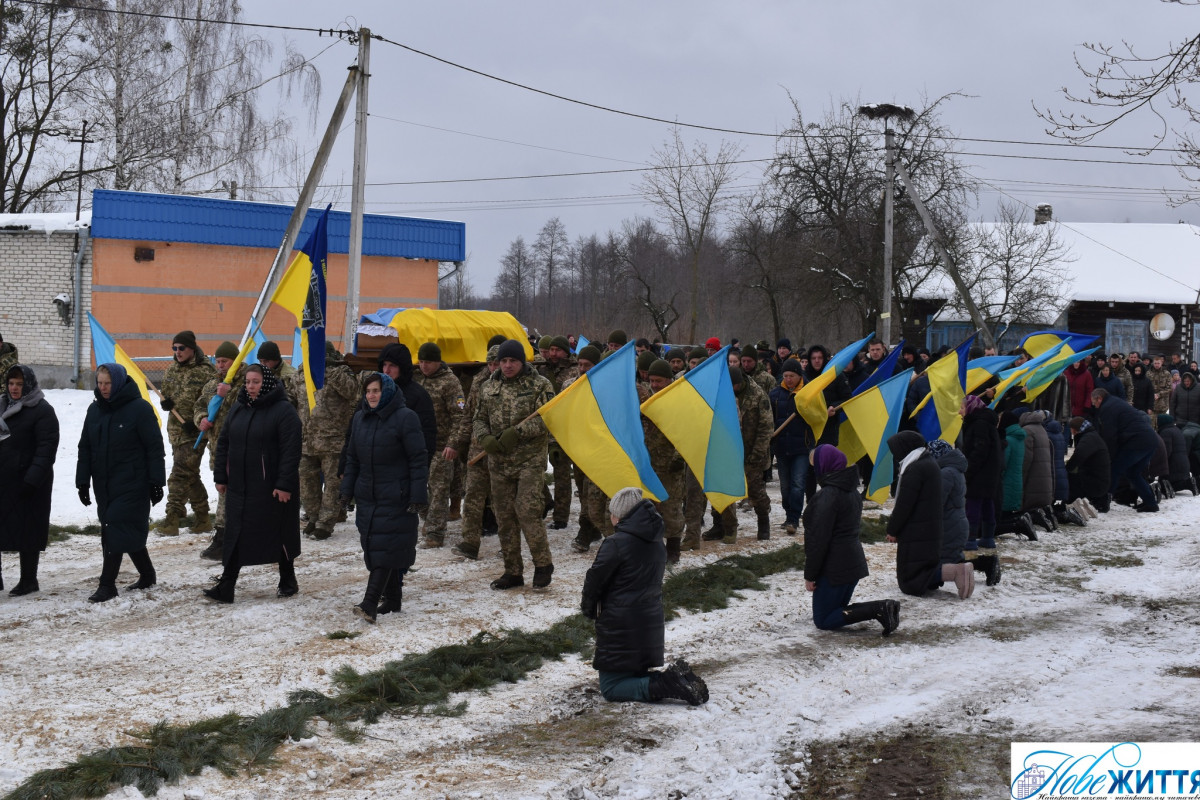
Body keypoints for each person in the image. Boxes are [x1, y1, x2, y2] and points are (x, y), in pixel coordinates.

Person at [580, 487, 709, 705]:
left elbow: (595, 579)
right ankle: (677, 680)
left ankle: (668, 683)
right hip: (649, 622)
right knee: (633, 676)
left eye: (612, 512)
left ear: (620, 515)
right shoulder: (656, 542)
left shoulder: (616, 543)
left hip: (621, 624)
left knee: (612, 687)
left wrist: (588, 608)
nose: (610, 516)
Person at [207, 365, 302, 602]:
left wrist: (284, 484)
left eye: (256, 382)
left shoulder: (283, 411)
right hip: (240, 485)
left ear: (266, 383)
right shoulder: (238, 408)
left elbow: (291, 451)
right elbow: (224, 442)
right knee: (235, 533)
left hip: (271, 487)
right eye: (248, 381)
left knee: (278, 532)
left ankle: (288, 578)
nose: (250, 386)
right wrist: (221, 476)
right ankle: (226, 584)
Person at [340, 372, 428, 622]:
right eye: (368, 391)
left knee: (387, 546)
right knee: (374, 544)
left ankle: (369, 603)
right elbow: (352, 459)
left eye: (376, 390)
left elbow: (418, 459)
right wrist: (346, 491)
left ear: (386, 391)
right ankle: (393, 599)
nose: (371, 396)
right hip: (368, 495)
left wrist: (417, 494)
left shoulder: (405, 418)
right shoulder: (360, 418)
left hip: (396, 494)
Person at [76, 364, 164, 602]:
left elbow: (154, 448)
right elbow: (85, 447)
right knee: (124, 528)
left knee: (115, 525)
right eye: (100, 383)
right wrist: (82, 481)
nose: (103, 388)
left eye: (108, 383)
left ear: (119, 382)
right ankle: (147, 574)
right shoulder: (95, 411)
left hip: (133, 481)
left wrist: (157, 481)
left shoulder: (140, 409)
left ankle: (107, 584)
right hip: (104, 484)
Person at [473, 339, 556, 590]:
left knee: (527, 510)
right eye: (504, 361)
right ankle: (513, 570)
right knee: (505, 516)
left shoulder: (540, 385)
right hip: (499, 463)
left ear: (523, 362)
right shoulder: (488, 387)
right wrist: (484, 438)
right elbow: (478, 418)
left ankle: (543, 564)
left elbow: (547, 419)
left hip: (529, 461)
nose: (507, 366)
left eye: (513, 361)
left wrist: (518, 432)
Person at [802, 445, 900, 636]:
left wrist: (810, 574)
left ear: (825, 466)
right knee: (836, 611)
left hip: (834, 569)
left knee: (823, 620)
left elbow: (818, 541)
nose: (814, 470)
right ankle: (881, 608)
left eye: (816, 465)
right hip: (851, 562)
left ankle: (880, 609)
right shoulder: (851, 491)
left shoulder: (827, 495)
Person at [289, 343, 360, 540]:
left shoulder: (341, 372)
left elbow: (352, 391)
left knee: (332, 484)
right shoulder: (300, 374)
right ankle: (313, 516)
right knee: (306, 482)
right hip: (306, 439)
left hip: (333, 440)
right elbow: (290, 399)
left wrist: (328, 369)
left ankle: (326, 523)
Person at [0, 364, 59, 595]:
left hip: (29, 482)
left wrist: (32, 479)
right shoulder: (2, 405)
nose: (14, 388)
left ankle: (28, 580)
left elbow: (46, 449)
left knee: (27, 530)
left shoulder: (42, 410)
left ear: (29, 385)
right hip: (3, 479)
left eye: (20, 384)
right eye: (11, 383)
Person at [158, 330, 216, 535]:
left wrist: (197, 420)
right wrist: (165, 402)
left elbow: (213, 402)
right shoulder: (172, 369)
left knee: (179, 475)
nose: (177, 352)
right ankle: (202, 519)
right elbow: (165, 391)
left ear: (192, 348)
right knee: (190, 475)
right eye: (174, 348)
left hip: (195, 433)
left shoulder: (206, 371)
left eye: (181, 348)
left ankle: (171, 520)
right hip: (175, 431)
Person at [193, 341, 247, 560]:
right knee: (223, 490)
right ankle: (228, 536)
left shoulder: (246, 381)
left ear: (235, 361)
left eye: (224, 361)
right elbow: (199, 406)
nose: (220, 365)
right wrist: (201, 419)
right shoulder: (212, 384)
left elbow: (246, 406)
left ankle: (224, 538)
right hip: (218, 449)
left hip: (241, 448)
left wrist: (228, 393)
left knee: (231, 493)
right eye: (218, 361)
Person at [414, 341, 465, 548]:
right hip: (419, 445)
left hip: (442, 446)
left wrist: (453, 444)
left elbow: (460, 416)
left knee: (439, 489)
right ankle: (429, 519)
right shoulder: (417, 379)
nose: (424, 366)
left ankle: (435, 532)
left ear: (438, 362)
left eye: (428, 362)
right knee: (418, 487)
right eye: (421, 361)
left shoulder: (450, 382)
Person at [885, 431, 944, 597]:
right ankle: (953, 572)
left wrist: (893, 529)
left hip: (917, 529)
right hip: (926, 527)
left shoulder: (915, 469)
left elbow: (904, 505)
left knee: (912, 579)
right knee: (923, 569)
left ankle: (955, 572)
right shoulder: (926, 462)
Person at [1092, 387, 1161, 512]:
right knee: (1132, 473)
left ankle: (1104, 502)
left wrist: (1108, 456)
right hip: (1150, 440)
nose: (1094, 406)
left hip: (1137, 442)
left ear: (1099, 398)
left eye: (1094, 402)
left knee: (1114, 469)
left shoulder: (1107, 408)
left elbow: (1110, 435)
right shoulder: (1115, 402)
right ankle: (1151, 503)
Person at [959, 395, 1004, 585]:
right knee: (986, 503)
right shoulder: (984, 421)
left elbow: (979, 450)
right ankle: (987, 538)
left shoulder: (979, 424)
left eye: (961, 407)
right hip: (989, 471)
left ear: (970, 407)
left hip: (980, 472)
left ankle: (970, 540)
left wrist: (968, 469)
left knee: (974, 503)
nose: (959, 411)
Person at [926, 439, 975, 598]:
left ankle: (961, 575)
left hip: (949, 525)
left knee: (944, 561)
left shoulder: (945, 473)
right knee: (951, 557)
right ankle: (967, 574)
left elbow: (936, 502)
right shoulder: (954, 470)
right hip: (956, 522)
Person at [770, 358, 809, 535]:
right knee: (785, 486)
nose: (788, 379)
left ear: (798, 375)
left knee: (798, 484)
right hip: (782, 447)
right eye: (785, 376)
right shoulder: (775, 395)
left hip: (801, 447)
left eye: (791, 376)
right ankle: (788, 514)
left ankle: (794, 518)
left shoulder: (808, 394)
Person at [1066, 416, 1111, 514]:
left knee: (1070, 479)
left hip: (1095, 482)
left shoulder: (1088, 439)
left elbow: (1077, 457)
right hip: (1098, 478)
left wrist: (1065, 470)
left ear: (1074, 429)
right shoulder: (1090, 435)